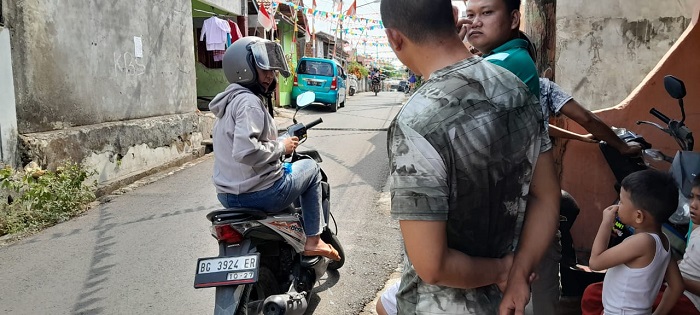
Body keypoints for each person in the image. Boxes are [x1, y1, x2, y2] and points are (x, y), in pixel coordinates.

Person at [381, 0, 560, 314]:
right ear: (454, 17)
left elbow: (433, 266)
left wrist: (504, 271)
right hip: (513, 299)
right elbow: (546, 196)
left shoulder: (415, 123)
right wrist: (519, 272)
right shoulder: (517, 90)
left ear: (394, 38)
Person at [209, 36, 340, 261]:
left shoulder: (229, 102)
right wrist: (281, 146)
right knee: (311, 169)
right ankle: (313, 240)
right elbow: (246, 151)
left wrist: (278, 140)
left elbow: (244, 140)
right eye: (263, 69)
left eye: (272, 70)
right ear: (245, 68)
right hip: (261, 194)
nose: (270, 76)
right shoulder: (249, 102)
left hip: (228, 197)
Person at [582, 175, 700, 315]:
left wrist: (606, 223)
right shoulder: (664, 241)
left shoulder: (642, 242)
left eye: (622, 202)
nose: (618, 206)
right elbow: (678, 286)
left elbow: (595, 262)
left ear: (639, 216)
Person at [459, 0, 539, 97]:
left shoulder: (503, 62)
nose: (475, 23)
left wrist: (446, 43)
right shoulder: (515, 54)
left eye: (486, 13)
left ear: (514, 19)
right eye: (470, 15)